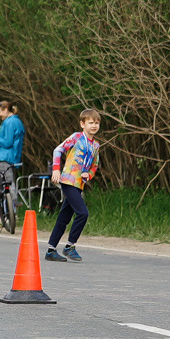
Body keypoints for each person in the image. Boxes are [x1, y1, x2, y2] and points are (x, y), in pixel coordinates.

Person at [44, 111, 104, 261]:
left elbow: (94, 165)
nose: (94, 126)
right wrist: (56, 169)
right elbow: (58, 150)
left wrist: (88, 175)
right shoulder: (76, 137)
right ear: (82, 124)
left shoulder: (96, 145)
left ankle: (51, 250)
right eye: (90, 123)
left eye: (96, 123)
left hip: (79, 184)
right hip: (68, 181)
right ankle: (70, 246)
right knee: (83, 213)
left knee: (64, 217)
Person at [0, 101, 25, 220]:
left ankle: (6, 212)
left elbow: (7, 142)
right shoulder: (17, 121)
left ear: (6, 109)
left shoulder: (9, 122)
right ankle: (12, 211)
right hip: (14, 158)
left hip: (4, 157)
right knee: (10, 181)